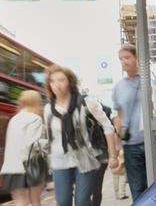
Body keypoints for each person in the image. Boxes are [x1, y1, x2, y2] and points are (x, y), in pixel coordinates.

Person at [44, 65, 118, 206]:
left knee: (82, 201)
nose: (57, 85)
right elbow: (50, 139)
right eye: (52, 81)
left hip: (84, 158)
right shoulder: (48, 109)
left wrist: (113, 155)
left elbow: (108, 126)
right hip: (60, 161)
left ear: (69, 82)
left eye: (61, 80)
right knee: (63, 201)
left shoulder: (85, 103)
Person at [112, 43, 147, 201]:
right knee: (137, 188)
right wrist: (117, 144)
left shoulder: (149, 80)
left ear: (136, 58)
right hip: (131, 145)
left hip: (151, 142)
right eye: (121, 59)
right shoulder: (118, 87)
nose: (123, 62)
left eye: (127, 57)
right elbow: (119, 116)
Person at [0, 90, 45, 206]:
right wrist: (50, 143)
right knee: (35, 201)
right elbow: (33, 144)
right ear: (37, 103)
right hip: (30, 166)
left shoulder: (13, 119)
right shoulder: (35, 118)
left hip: (11, 167)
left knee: (20, 202)